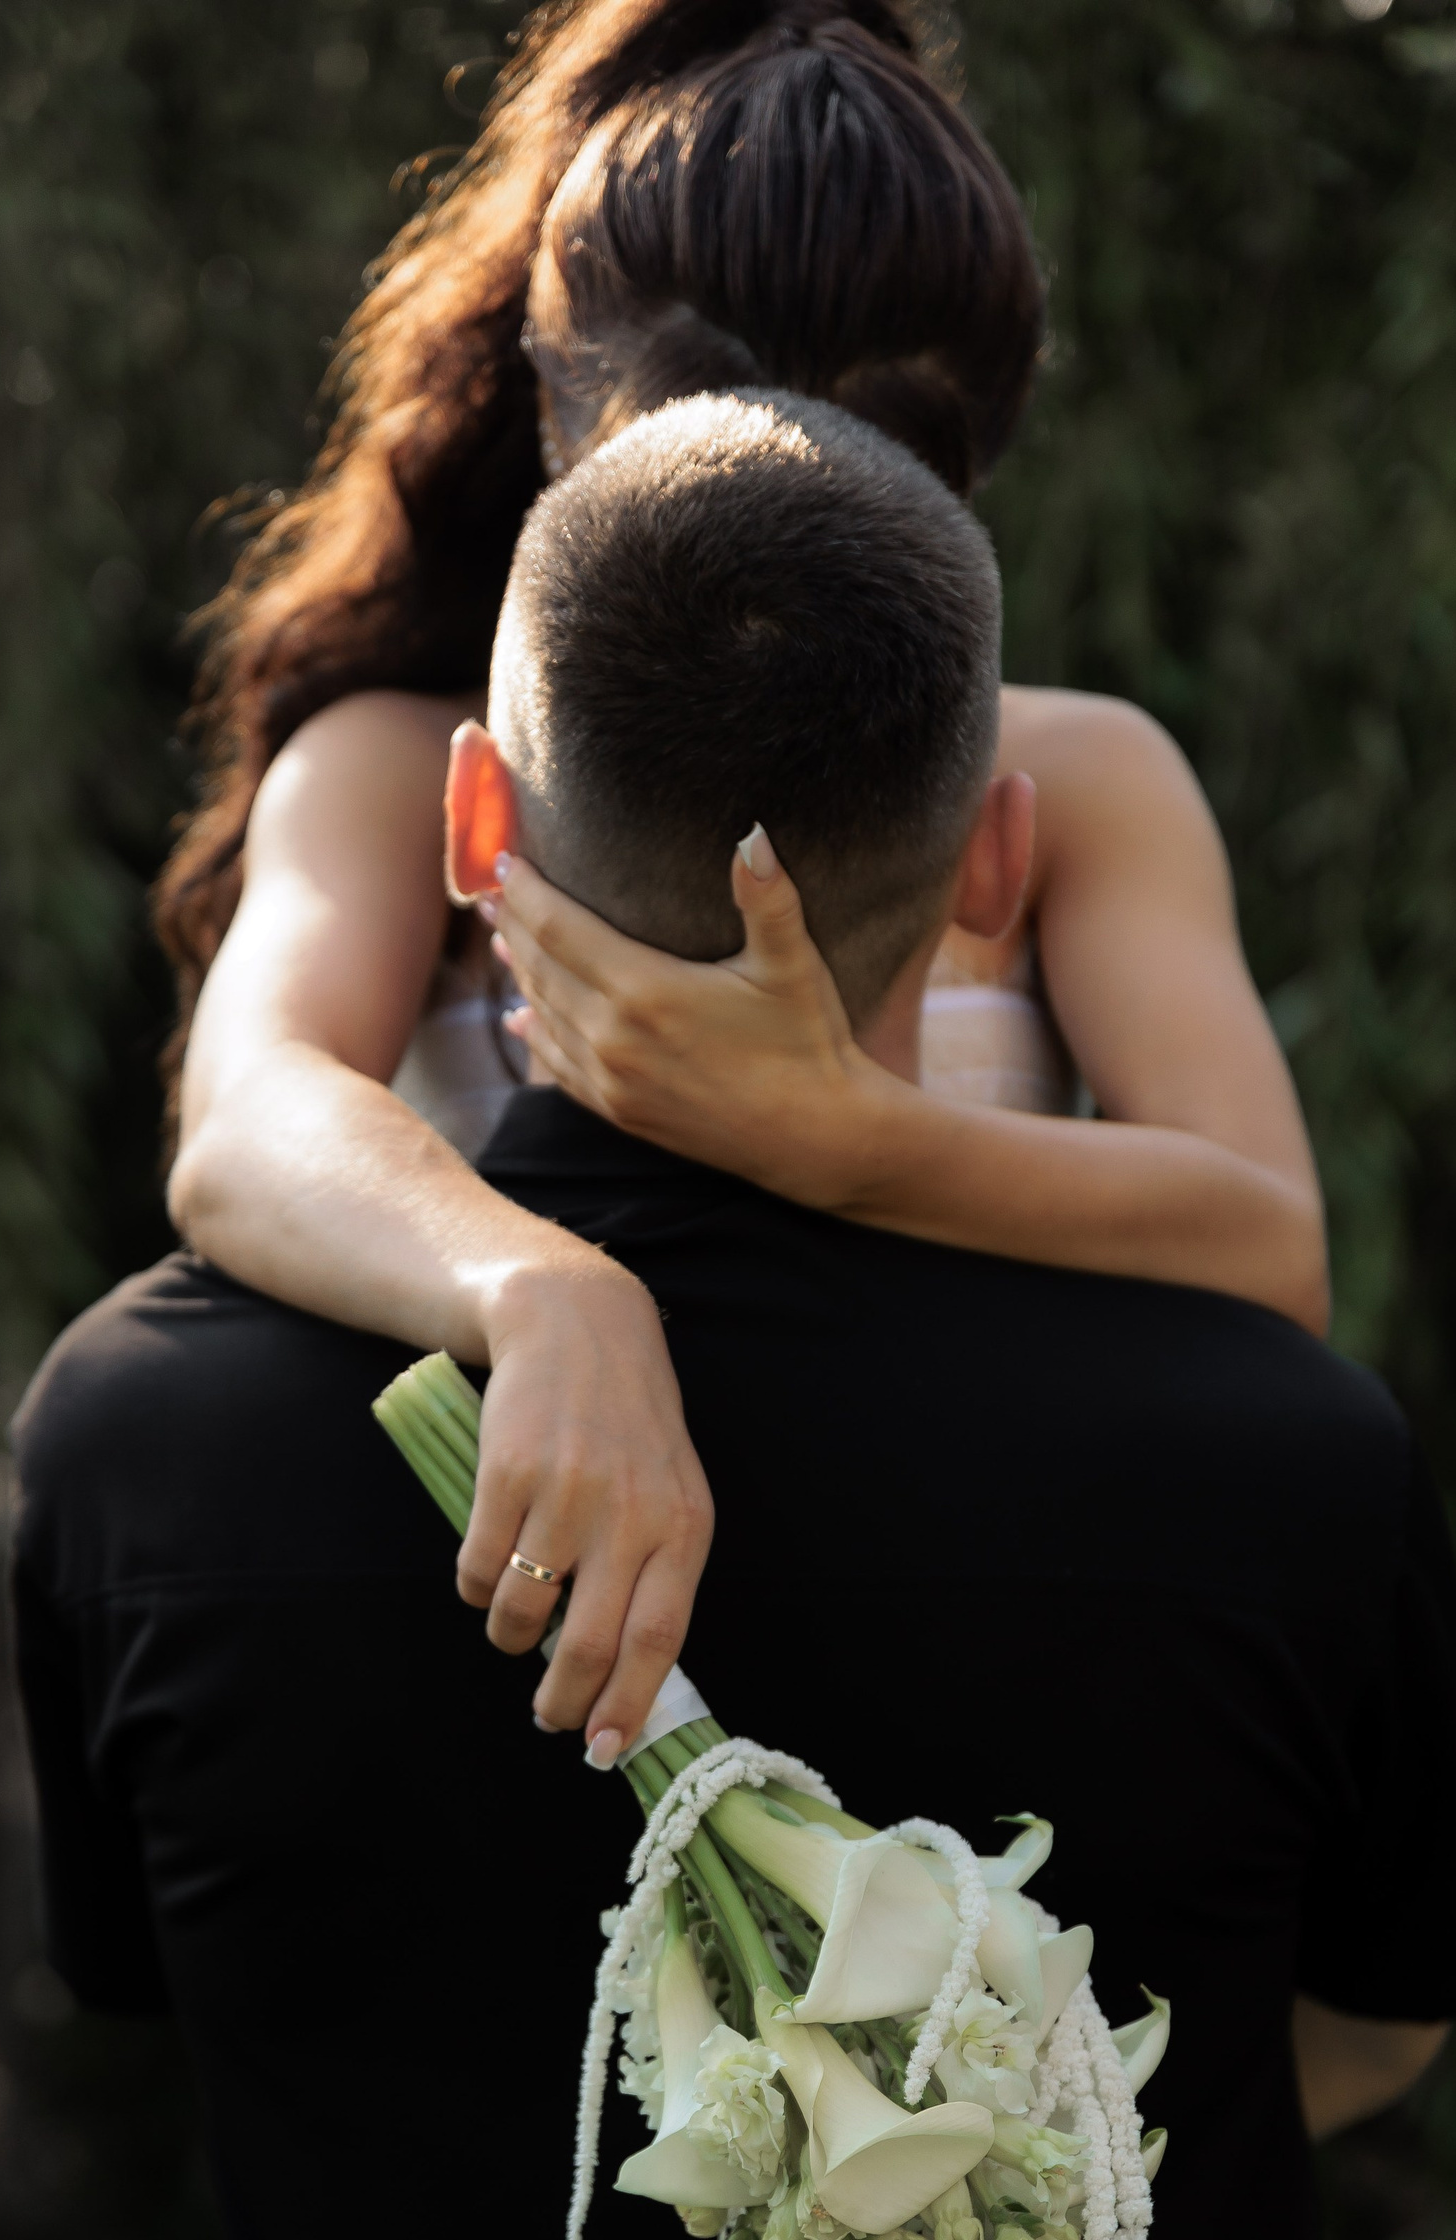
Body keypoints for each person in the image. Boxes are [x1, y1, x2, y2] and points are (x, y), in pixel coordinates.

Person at [13, 393, 1456, 2240]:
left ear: (475, 828)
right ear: (1000, 863)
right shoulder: (1296, 1479)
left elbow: (199, 2005)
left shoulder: (139, 1458)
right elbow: (1366, 2022)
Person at [159, 0, 1329, 1773]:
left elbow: (1269, 1244)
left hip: (956, 1650)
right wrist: (540, 1288)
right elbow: (244, 1127)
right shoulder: (395, 769)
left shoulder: (1085, 784)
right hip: (540, 1698)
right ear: (558, 427)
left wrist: (848, 1139)